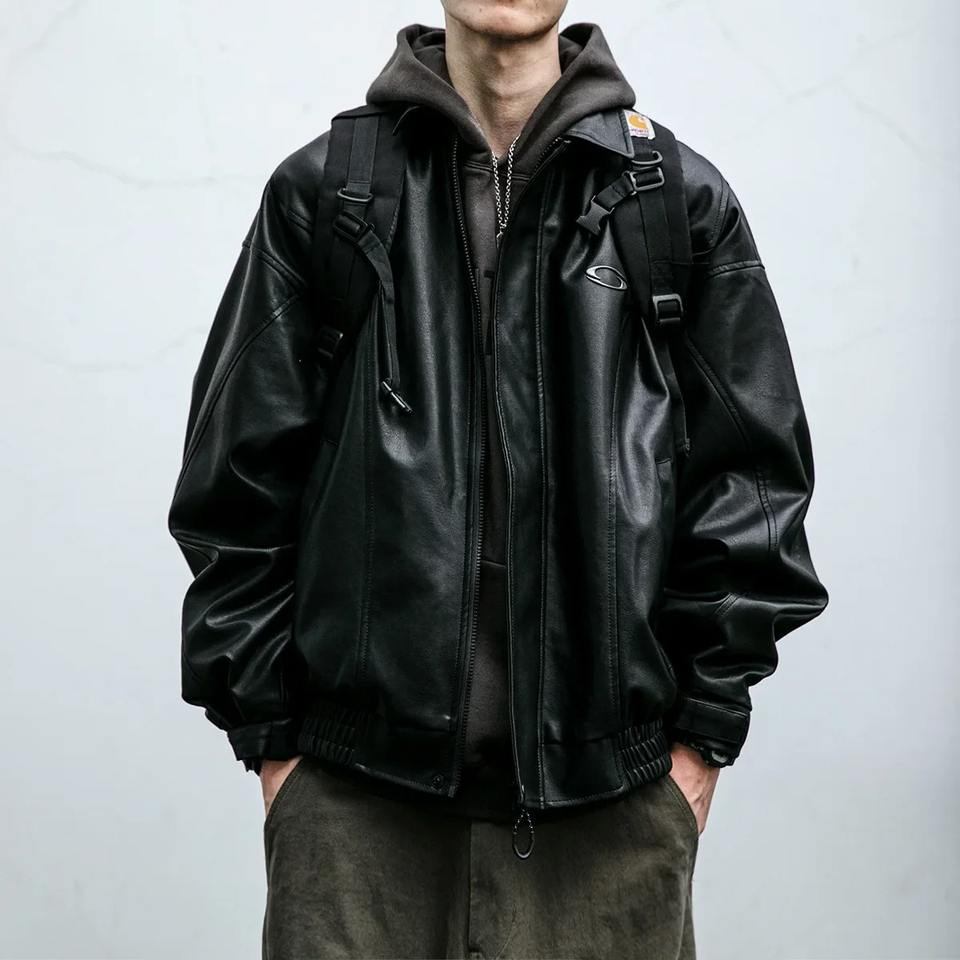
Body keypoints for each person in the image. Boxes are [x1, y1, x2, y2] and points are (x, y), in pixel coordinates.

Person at [167, 2, 829, 957]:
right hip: (356, 821)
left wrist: (699, 741)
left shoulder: (675, 204)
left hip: (611, 822)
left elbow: (756, 490)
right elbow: (233, 490)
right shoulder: (328, 193)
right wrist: (277, 749)